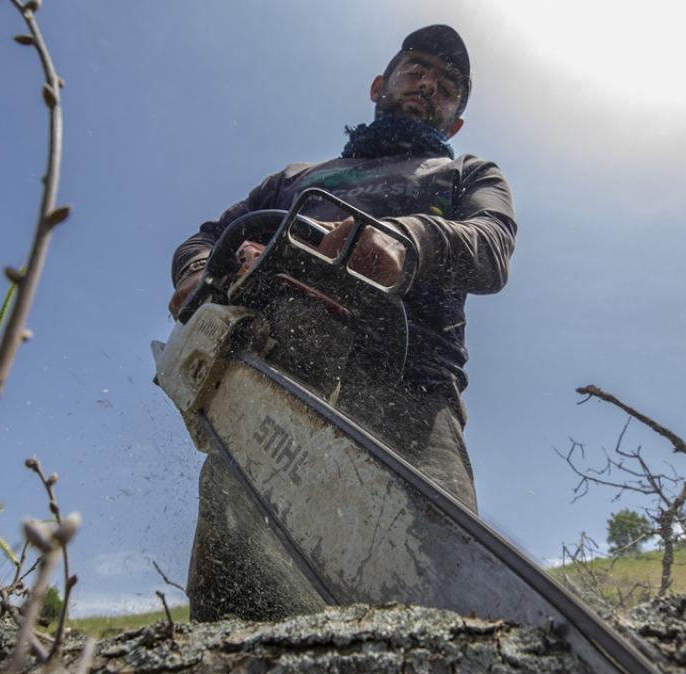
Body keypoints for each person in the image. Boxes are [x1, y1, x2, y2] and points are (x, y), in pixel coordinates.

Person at [168, 25, 516, 621]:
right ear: (380, 83)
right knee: (234, 599)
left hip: (410, 394)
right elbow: (207, 237)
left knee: (441, 598)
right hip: (271, 384)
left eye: (448, 84)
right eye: (416, 68)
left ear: (455, 120)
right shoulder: (298, 178)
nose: (429, 84)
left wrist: (407, 241)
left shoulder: (466, 174)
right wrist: (204, 275)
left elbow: (491, 245)